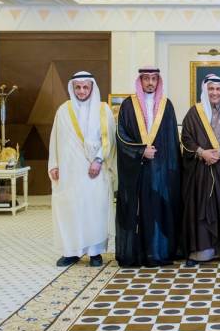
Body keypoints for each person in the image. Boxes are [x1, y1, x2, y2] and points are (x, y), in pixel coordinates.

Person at [48, 71, 116, 267]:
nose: (82, 91)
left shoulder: (103, 110)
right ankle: (72, 252)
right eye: (77, 87)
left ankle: (95, 253)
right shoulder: (63, 110)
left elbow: (109, 139)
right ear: (72, 88)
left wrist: (98, 160)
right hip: (70, 171)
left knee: (95, 210)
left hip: (95, 171)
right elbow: (55, 138)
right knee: (71, 210)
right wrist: (54, 164)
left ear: (92, 87)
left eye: (86, 87)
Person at [115, 66, 181, 267]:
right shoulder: (128, 105)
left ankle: (159, 252)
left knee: (158, 209)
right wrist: (140, 151)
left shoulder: (166, 105)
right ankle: (138, 254)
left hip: (161, 171)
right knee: (139, 210)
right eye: (146, 78)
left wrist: (170, 171)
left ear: (158, 81)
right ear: (140, 81)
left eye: (154, 78)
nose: (150, 82)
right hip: (138, 169)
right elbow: (121, 136)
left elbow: (172, 140)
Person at [181, 74, 220, 267]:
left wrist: (218, 154)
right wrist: (202, 153)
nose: (214, 93)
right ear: (205, 90)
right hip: (201, 171)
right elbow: (186, 137)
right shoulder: (194, 112)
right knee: (199, 209)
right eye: (211, 89)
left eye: (218, 89)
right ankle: (200, 253)